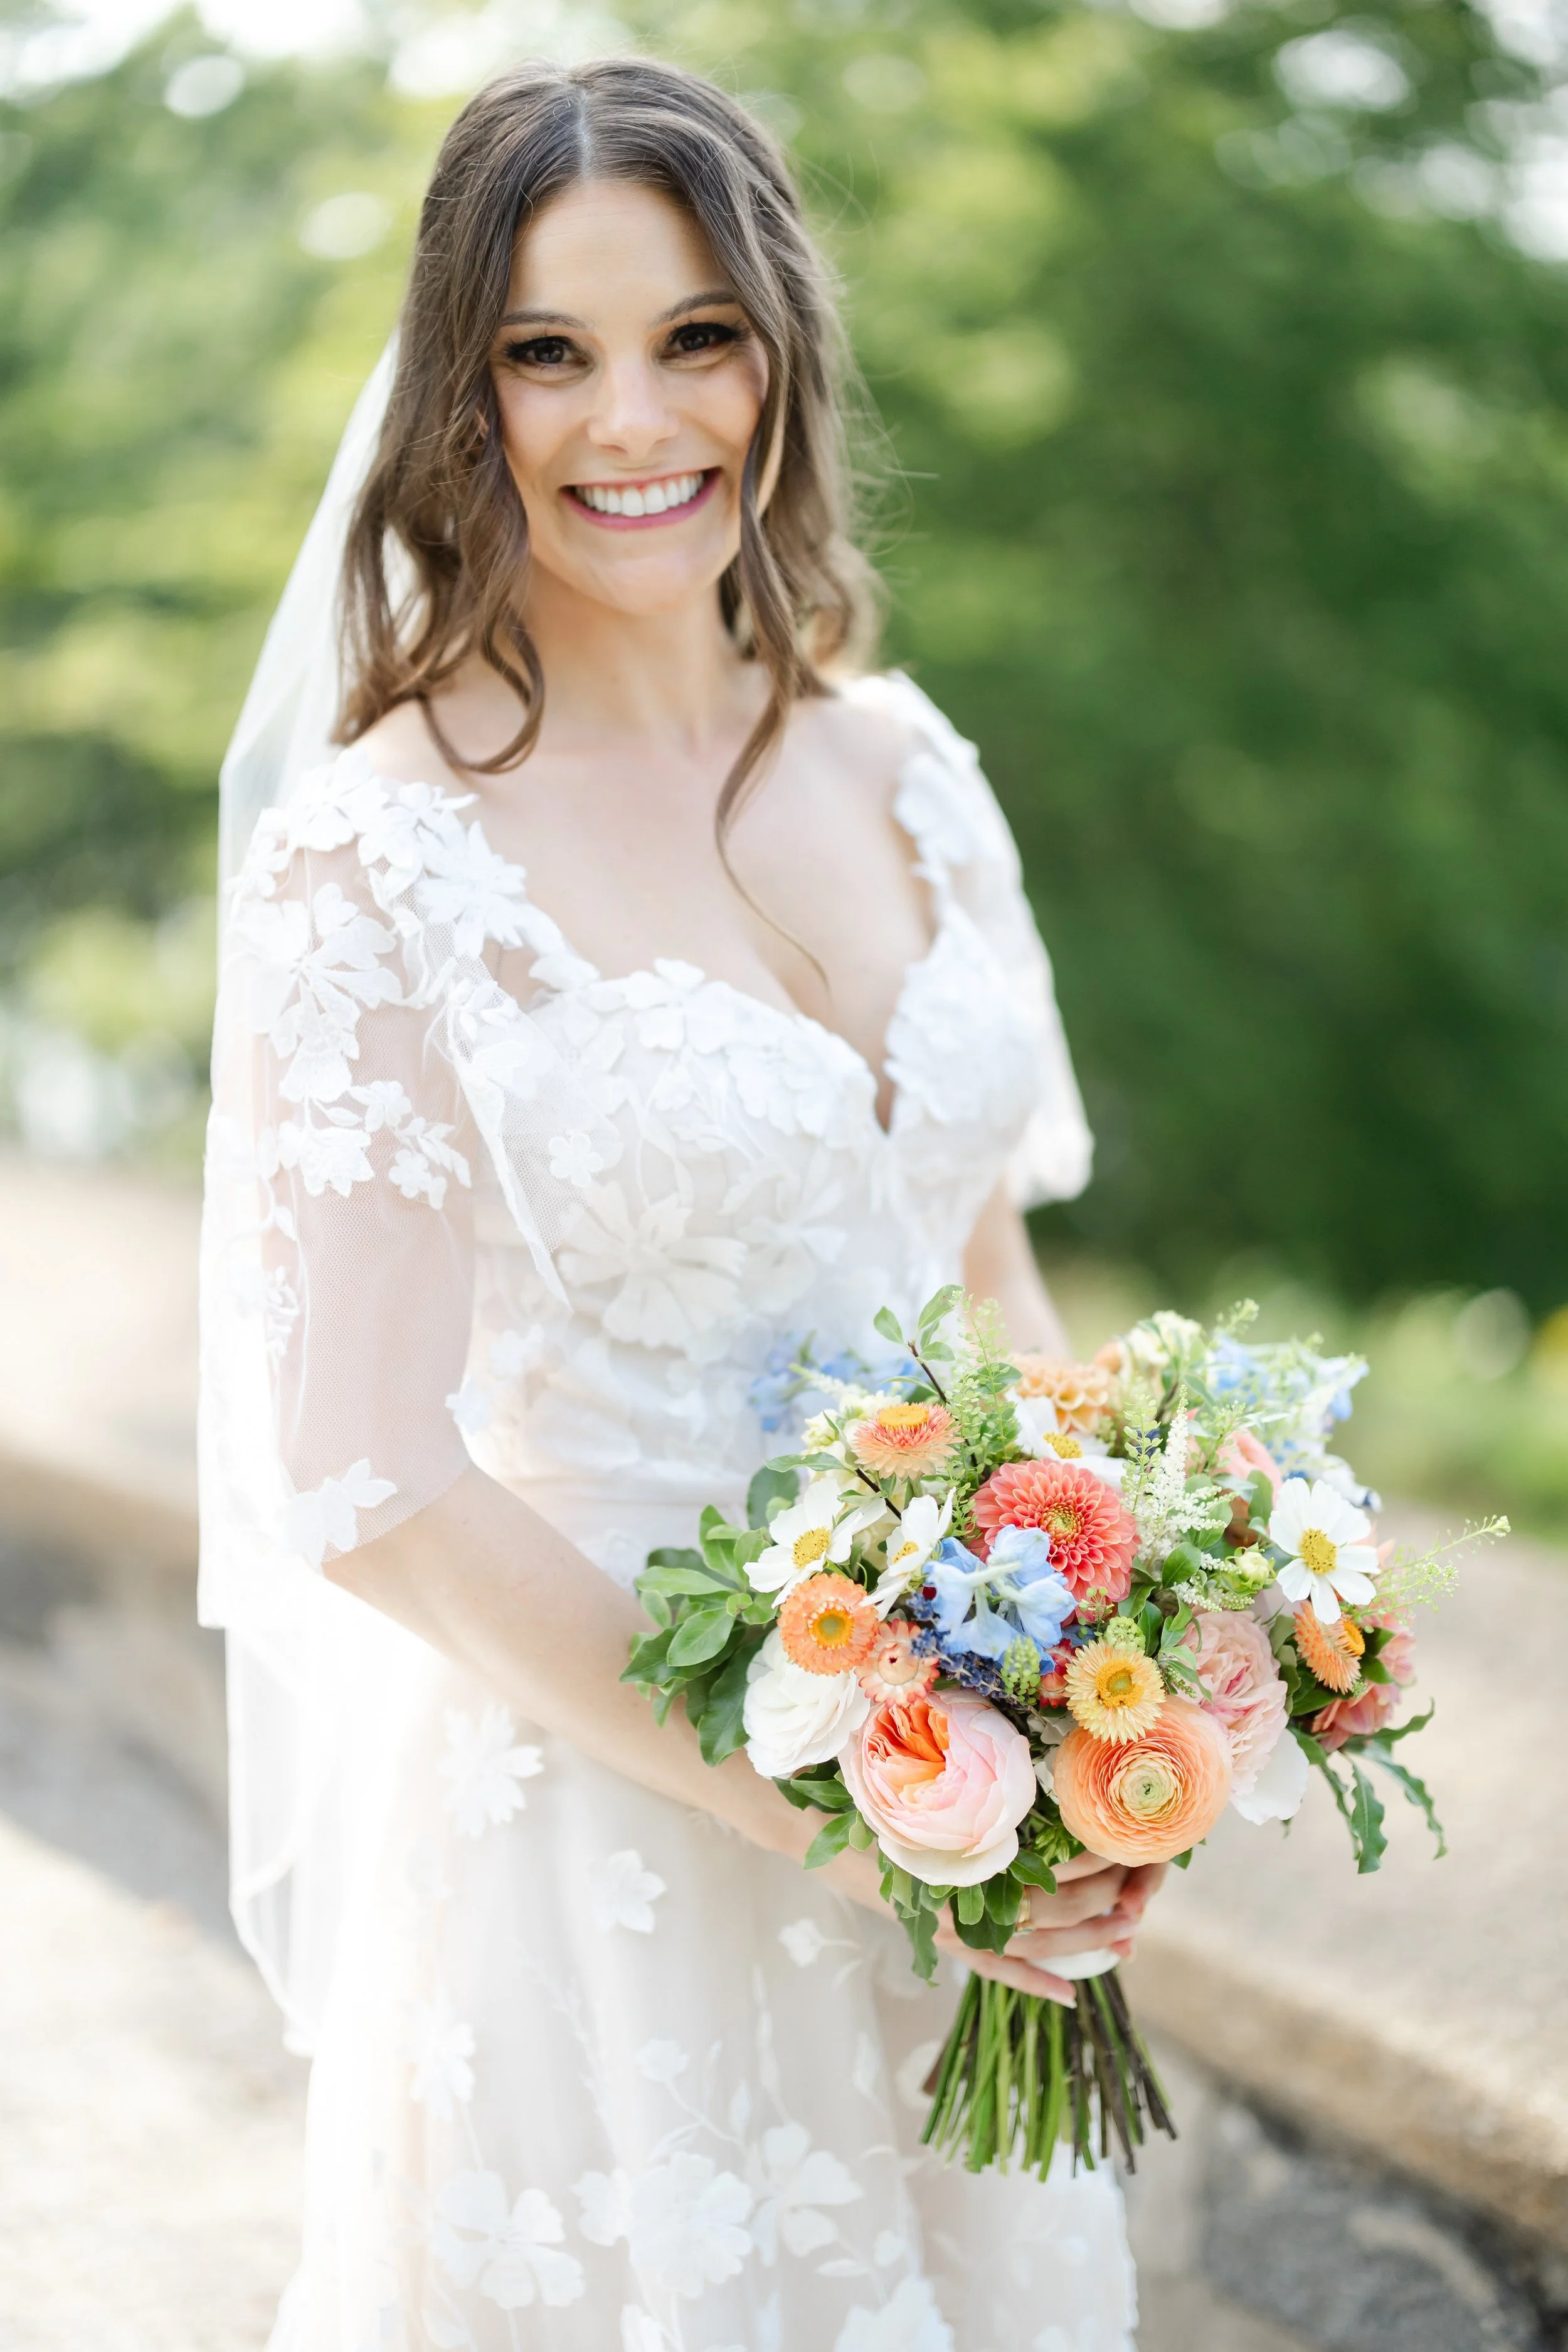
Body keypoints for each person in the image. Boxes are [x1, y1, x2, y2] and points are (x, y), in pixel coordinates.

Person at [201, 55, 1165, 2351]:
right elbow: (368, 1475)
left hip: (968, 1819)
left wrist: (1145, 1692)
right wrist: (838, 1805)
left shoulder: (906, 762)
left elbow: (980, 1268)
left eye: (690, 336)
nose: (631, 419)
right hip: (606, 1862)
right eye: (548, 351)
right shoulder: (382, 851)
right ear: (463, 391)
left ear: (780, 353)